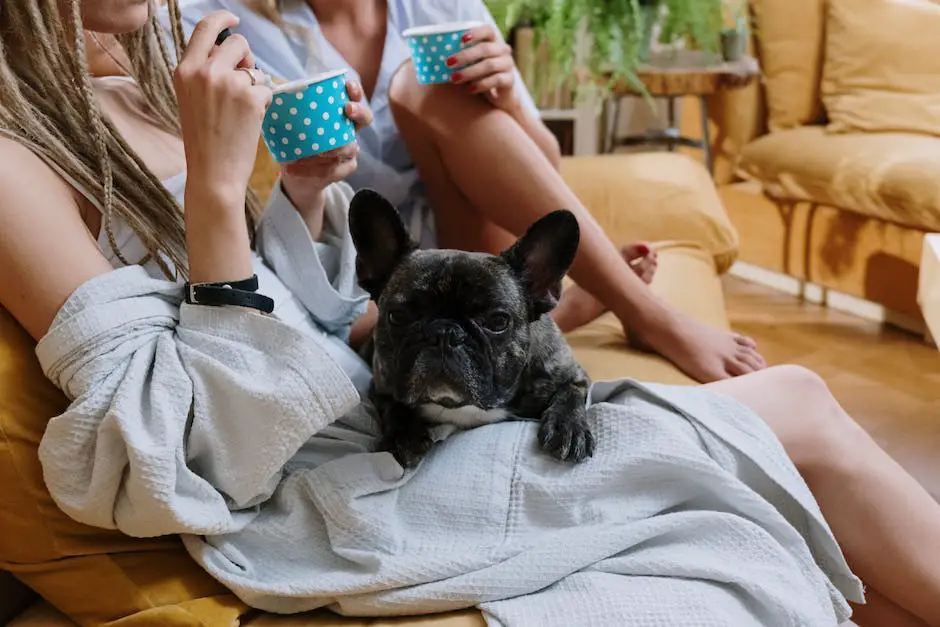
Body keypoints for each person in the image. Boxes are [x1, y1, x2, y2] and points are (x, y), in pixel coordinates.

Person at [0, 1, 937, 625]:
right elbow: (171, 455)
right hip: (317, 496)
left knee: (798, 512)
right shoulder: (16, 155)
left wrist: (295, 202)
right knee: (801, 411)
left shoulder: (132, 86)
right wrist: (213, 193)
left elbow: (285, 322)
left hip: (361, 421)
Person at [172, 0, 767, 385]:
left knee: (425, 87)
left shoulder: (439, 7)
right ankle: (543, 318)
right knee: (359, 283)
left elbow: (545, 169)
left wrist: (506, 96)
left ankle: (644, 315)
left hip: (476, 255)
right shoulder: (217, 22)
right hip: (352, 276)